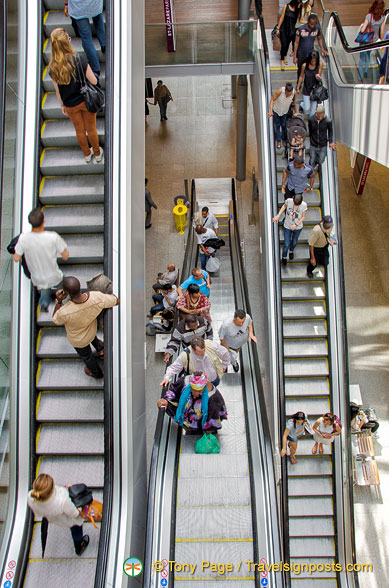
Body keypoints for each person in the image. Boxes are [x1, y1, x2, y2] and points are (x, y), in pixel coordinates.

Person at [49, 28, 103, 164]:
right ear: (67, 42)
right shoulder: (78, 59)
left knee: (79, 130)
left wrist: (62, 105)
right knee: (91, 128)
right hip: (86, 100)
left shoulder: (53, 67)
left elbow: (57, 90)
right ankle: (97, 153)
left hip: (70, 104)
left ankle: (86, 154)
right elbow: (94, 81)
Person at [52, 276, 119, 379]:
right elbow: (115, 301)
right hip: (91, 330)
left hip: (78, 340)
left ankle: (97, 373)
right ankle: (101, 349)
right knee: (93, 338)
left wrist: (59, 301)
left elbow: (55, 319)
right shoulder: (96, 298)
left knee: (87, 356)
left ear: (66, 293)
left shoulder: (64, 312)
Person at [13, 207, 69, 312]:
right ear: (43, 220)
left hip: (37, 277)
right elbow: (65, 256)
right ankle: (67, 301)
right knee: (66, 285)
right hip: (53, 275)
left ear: (30, 222)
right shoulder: (52, 237)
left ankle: (44, 304)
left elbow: (16, 258)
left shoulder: (23, 239)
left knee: (44, 288)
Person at [27, 473, 89, 556]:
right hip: (69, 520)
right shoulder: (62, 500)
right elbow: (74, 514)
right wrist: (69, 490)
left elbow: (38, 513)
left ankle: (79, 546)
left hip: (52, 518)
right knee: (76, 529)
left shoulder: (31, 497)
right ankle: (79, 546)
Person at [157, 371, 227, 435]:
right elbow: (173, 391)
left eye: (199, 391)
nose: (196, 393)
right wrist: (165, 400)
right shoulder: (184, 382)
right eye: (193, 390)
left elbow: (215, 419)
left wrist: (207, 433)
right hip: (190, 425)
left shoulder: (213, 398)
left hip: (203, 430)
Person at [160, 336, 230, 388]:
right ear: (193, 350)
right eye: (200, 352)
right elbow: (173, 368)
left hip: (214, 379)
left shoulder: (210, 344)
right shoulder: (185, 356)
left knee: (213, 390)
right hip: (199, 384)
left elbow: (224, 353)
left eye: (204, 350)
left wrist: (224, 365)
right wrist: (167, 378)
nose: (203, 353)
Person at [65, 0, 106, 77]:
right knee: (97, 17)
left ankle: (96, 67)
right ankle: (104, 43)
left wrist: (66, 4)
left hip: (79, 7)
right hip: (95, 4)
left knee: (86, 38)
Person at [273, 193, 307, 265]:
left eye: (297, 205)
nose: (295, 205)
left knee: (294, 242)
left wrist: (296, 224)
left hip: (297, 227)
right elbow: (284, 206)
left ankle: (291, 251)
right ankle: (284, 257)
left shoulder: (304, 205)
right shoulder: (289, 201)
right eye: (294, 203)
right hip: (287, 226)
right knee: (286, 244)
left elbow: (303, 217)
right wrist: (278, 215)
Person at [293, 15, 328, 79]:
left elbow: (319, 38)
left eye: (313, 24)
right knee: (300, 70)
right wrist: (295, 56)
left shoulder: (317, 29)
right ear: (308, 22)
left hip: (310, 54)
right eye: (311, 24)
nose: (312, 26)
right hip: (301, 54)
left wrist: (322, 48)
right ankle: (299, 83)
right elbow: (296, 42)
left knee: (310, 71)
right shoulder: (300, 30)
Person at [358, 1, 386, 79]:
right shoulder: (382, 18)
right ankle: (367, 70)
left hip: (365, 40)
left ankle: (360, 77)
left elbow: (363, 30)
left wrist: (361, 29)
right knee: (369, 56)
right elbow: (382, 32)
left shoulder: (369, 16)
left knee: (362, 58)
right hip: (374, 42)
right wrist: (381, 40)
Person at [268, 82, 297, 149]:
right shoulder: (280, 91)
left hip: (284, 112)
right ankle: (278, 140)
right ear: (285, 91)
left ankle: (284, 139)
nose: (288, 95)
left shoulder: (293, 93)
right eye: (287, 94)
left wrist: (296, 110)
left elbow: (294, 101)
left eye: (290, 95)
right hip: (276, 111)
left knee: (284, 125)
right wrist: (270, 111)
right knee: (277, 125)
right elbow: (272, 99)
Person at [308, 105, 336, 170]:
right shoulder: (311, 119)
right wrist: (311, 139)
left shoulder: (328, 121)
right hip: (313, 143)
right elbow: (310, 130)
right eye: (318, 115)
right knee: (312, 160)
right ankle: (310, 171)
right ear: (316, 113)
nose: (320, 117)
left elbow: (330, 131)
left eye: (321, 115)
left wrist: (330, 141)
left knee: (321, 160)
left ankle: (317, 162)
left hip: (323, 144)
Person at [296, 50, 323, 116]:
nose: (313, 62)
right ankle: (302, 104)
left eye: (315, 61)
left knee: (313, 110)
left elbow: (319, 75)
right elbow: (301, 76)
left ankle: (311, 123)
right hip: (306, 88)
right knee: (307, 108)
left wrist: (318, 77)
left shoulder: (320, 64)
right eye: (312, 61)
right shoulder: (305, 65)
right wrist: (298, 88)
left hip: (315, 90)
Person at [276, 0, 300, 70]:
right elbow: (282, 17)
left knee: (287, 44)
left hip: (291, 30)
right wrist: (278, 28)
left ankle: (285, 56)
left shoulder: (297, 9)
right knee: (284, 44)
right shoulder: (286, 7)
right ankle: (282, 60)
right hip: (283, 28)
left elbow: (299, 19)